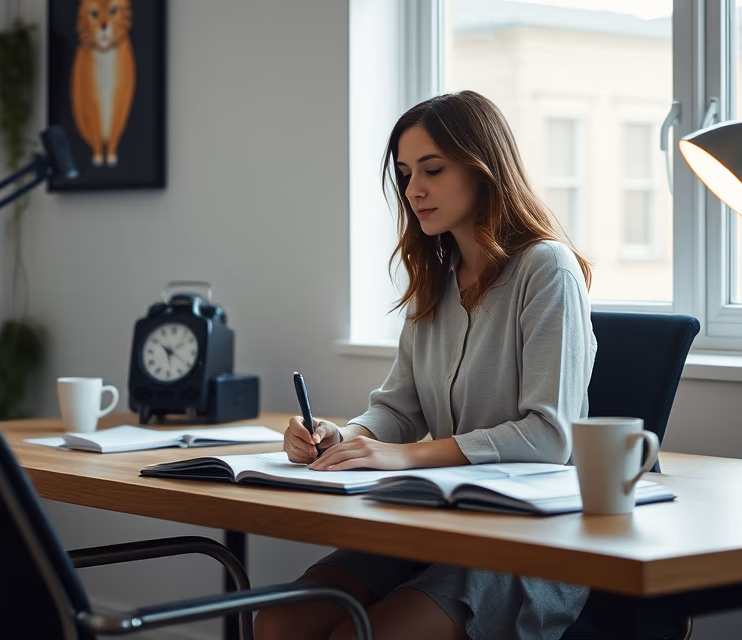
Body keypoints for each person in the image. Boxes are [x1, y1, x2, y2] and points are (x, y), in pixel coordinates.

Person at [253, 91, 597, 640]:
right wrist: (342, 436)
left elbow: (549, 435)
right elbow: (398, 409)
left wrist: (399, 455)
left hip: (528, 540)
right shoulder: (432, 283)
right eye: (406, 173)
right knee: (277, 623)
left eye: (432, 170)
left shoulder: (546, 268)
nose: (414, 190)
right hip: (436, 526)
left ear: (485, 169)